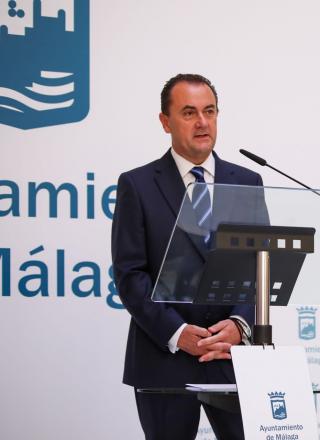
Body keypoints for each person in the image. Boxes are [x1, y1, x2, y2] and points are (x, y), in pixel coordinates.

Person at [111, 73, 262, 440]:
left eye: (209, 111)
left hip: (231, 357)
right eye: (189, 112)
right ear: (165, 121)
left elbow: (258, 267)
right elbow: (131, 276)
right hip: (165, 360)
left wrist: (239, 326)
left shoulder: (247, 182)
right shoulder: (138, 184)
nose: (202, 122)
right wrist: (178, 333)